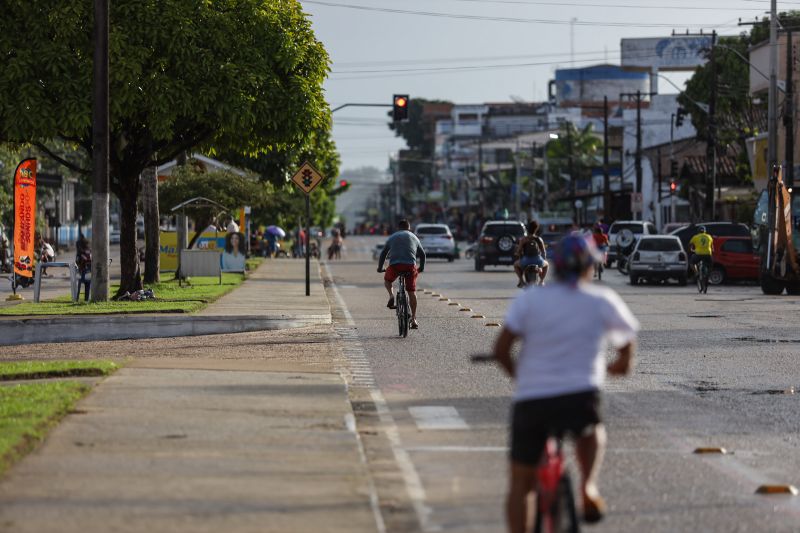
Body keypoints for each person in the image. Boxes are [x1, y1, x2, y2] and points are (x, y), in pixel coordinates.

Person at [491, 234, 639, 532]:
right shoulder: (601, 299)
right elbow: (627, 345)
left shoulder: (530, 299)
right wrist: (619, 366)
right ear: (588, 267)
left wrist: (523, 378)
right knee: (592, 430)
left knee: (521, 483)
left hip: (533, 400)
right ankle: (588, 487)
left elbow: (502, 350)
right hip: (580, 397)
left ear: (555, 267)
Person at [377, 219, 426, 329]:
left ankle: (391, 295)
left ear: (398, 228)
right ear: (409, 228)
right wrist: (421, 268)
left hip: (395, 266)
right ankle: (413, 319)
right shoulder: (414, 237)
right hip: (410, 267)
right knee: (411, 292)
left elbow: (383, 253)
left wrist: (380, 268)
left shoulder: (392, 237)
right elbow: (422, 254)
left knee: (387, 280)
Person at [513, 220, 548, 287]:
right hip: (538, 260)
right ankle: (541, 281)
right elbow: (544, 251)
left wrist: (517, 253)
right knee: (547, 265)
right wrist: (544, 259)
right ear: (536, 229)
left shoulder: (524, 239)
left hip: (526, 261)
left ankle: (521, 281)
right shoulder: (539, 239)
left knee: (515, 265)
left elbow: (519, 251)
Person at [75, 236, 92, 301]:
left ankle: (78, 298)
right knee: (88, 285)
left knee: (79, 285)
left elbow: (77, 262)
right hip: (89, 272)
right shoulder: (90, 251)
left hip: (82, 272)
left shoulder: (80, 253)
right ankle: (86, 299)